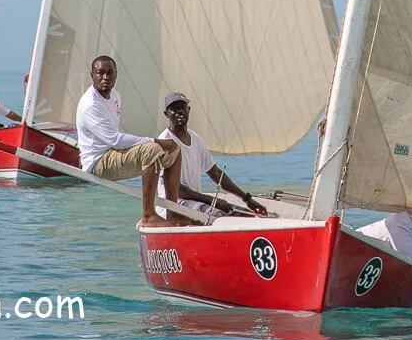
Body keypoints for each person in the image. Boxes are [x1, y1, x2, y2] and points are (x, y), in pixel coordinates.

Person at [74, 55, 187, 227]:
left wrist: (161, 144)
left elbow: (116, 140)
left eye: (110, 73)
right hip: (97, 162)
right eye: (100, 73)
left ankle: (173, 213)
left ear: (116, 75)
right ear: (92, 75)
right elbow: (115, 139)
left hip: (112, 152)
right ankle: (148, 215)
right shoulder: (91, 104)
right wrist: (156, 141)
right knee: (152, 149)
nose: (105, 77)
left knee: (174, 149)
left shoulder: (115, 96)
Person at [156, 92, 269, 220]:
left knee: (246, 214)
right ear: (166, 114)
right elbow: (176, 190)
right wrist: (211, 200)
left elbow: (215, 173)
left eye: (182, 107)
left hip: (194, 201)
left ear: (189, 109)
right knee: (220, 217)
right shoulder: (165, 142)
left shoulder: (196, 139)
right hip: (174, 205)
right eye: (174, 109)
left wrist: (247, 199)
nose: (179, 112)